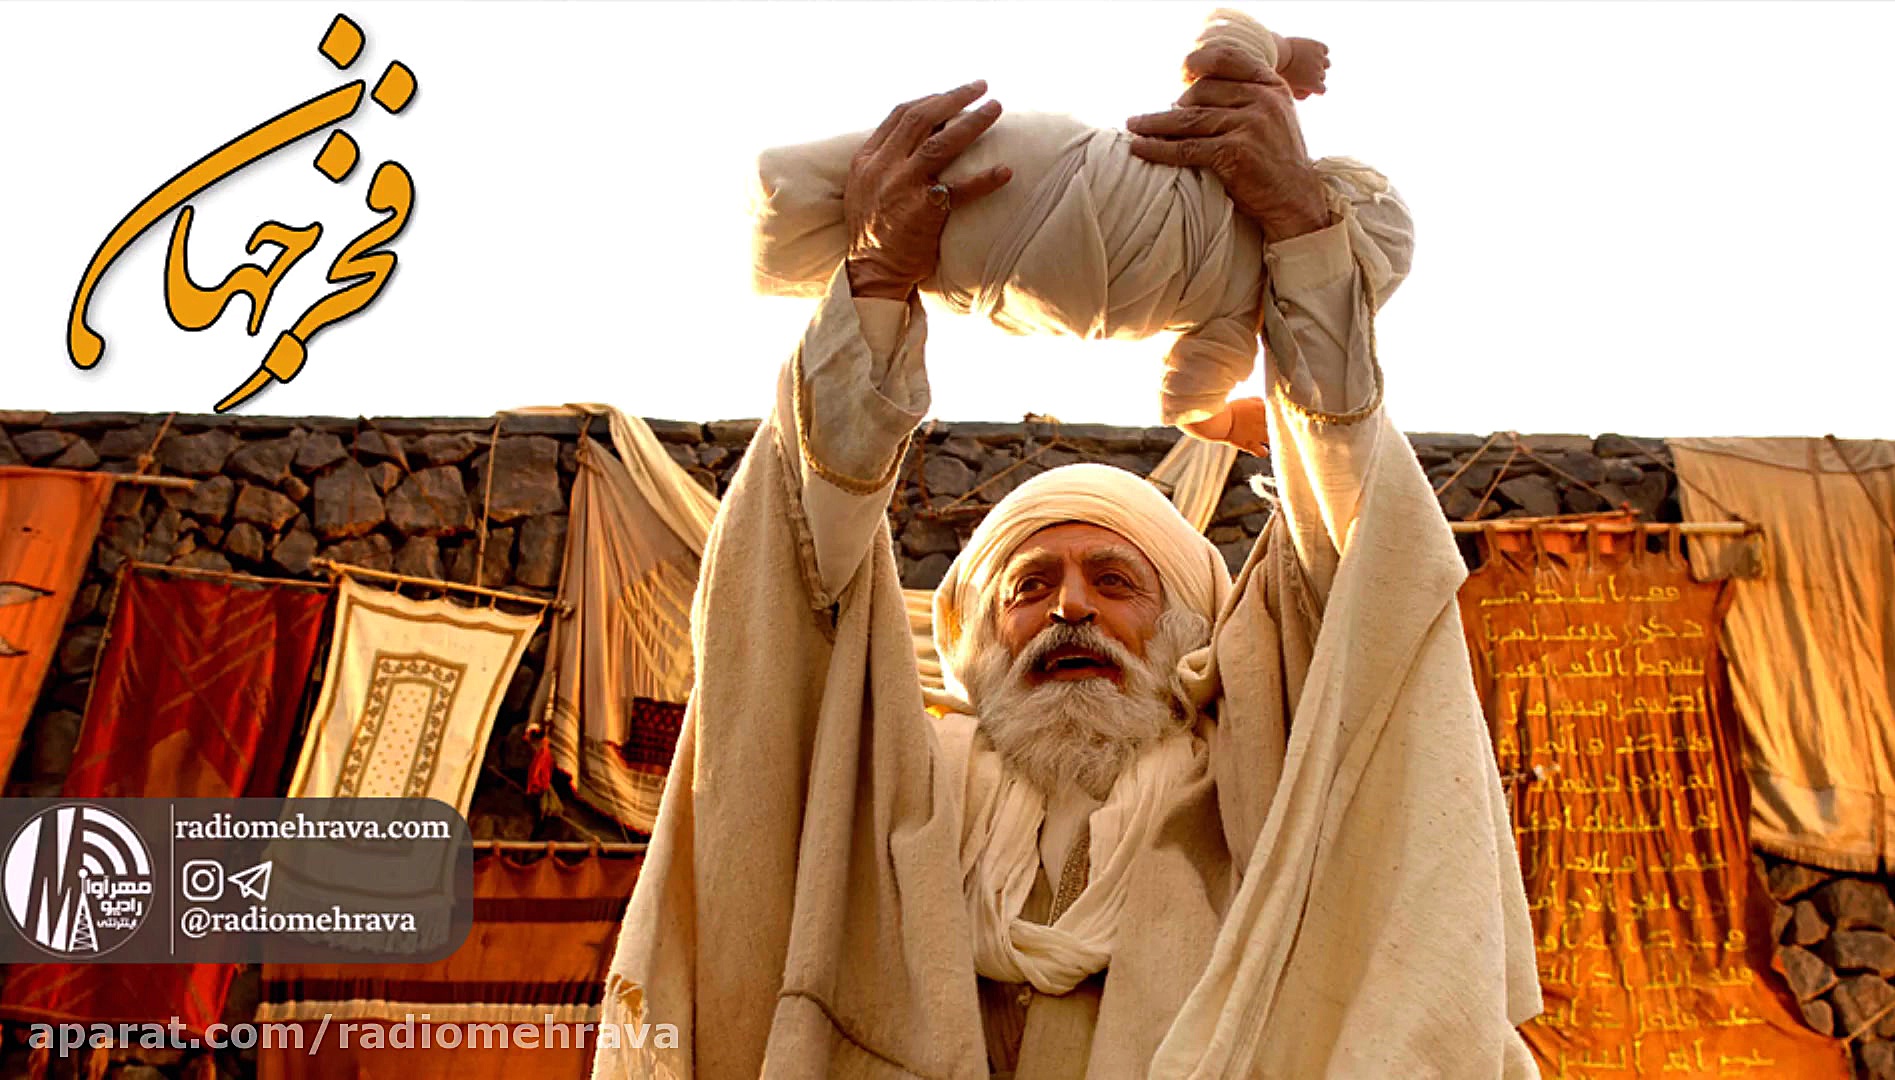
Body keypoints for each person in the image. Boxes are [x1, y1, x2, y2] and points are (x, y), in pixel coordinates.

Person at [594, 35, 1542, 1080]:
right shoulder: (894, 800)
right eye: (1029, 587)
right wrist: (869, 284)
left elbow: (1365, 578)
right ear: (968, 637)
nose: (1070, 613)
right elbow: (777, 609)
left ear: (1192, 628)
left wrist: (1308, 248)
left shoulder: (1258, 787)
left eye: (1116, 580)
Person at [748, 10, 1396, 459]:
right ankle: (781, 248)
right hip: (1001, 276)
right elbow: (1183, 401)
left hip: (1039, 168)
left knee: (867, 188)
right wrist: (1225, 422)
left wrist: (1282, 54)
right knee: (880, 239)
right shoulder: (1237, 307)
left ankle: (778, 196)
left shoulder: (1227, 153)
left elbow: (1217, 47)